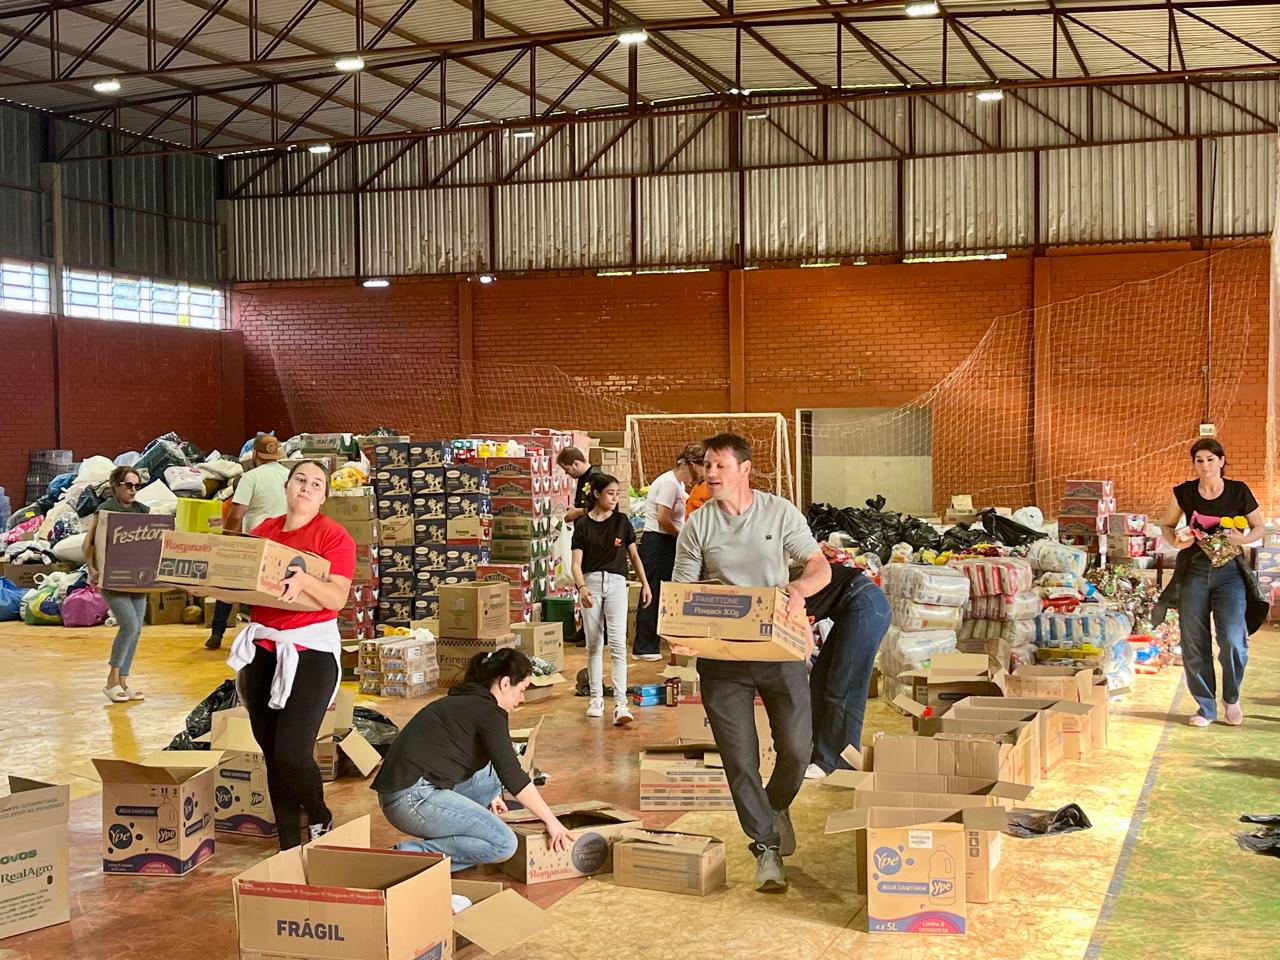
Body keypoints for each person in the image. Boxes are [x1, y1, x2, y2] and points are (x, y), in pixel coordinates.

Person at [671, 433, 830, 893]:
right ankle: (765, 846)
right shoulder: (698, 525)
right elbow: (683, 592)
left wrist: (798, 590)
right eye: (706, 466)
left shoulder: (779, 512)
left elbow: (819, 566)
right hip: (723, 660)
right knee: (739, 758)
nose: (710, 474)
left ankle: (775, 806)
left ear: (745, 469)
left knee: (798, 749)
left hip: (779, 650)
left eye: (720, 465)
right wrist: (682, 630)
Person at [225, 461, 355, 850]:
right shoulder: (264, 532)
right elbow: (241, 585)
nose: (307, 487)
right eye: (301, 479)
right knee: (271, 753)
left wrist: (306, 581)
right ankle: (287, 843)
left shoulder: (334, 537)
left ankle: (318, 814)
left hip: (311, 652)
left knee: (292, 751)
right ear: (287, 485)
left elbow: (337, 598)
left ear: (324, 495)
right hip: (262, 651)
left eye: (316, 483)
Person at [373, 649, 574, 869]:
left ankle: (457, 844)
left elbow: (501, 769)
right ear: (505, 683)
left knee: (493, 779)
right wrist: (551, 821)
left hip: (409, 790)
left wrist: (491, 794)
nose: (522, 699)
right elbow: (513, 775)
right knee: (503, 844)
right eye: (522, 689)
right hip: (410, 800)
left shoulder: (469, 699)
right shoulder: (489, 712)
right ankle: (407, 858)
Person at [1155, 438, 1268, 727]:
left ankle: (1231, 698)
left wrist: (1242, 539)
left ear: (1221, 461)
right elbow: (1166, 525)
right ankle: (1205, 707)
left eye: (1209, 459)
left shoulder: (1238, 491)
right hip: (1193, 571)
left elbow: (1259, 527)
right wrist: (1177, 542)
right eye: (1199, 460)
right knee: (1194, 641)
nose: (1204, 465)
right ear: (1194, 464)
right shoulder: (1184, 492)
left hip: (1230, 573)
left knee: (1232, 638)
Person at [571, 473, 653, 726]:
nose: (614, 498)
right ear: (596, 494)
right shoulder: (583, 525)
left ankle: (621, 703)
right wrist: (582, 588)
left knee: (618, 644)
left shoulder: (622, 522)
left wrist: (645, 584)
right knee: (594, 644)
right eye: (610, 493)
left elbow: (634, 557)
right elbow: (575, 564)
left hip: (617, 584)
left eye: (617, 493)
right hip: (591, 584)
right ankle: (595, 699)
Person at [802, 563, 891, 779]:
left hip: (866, 605)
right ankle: (819, 751)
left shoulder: (789, 590)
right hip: (851, 608)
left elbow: (801, 642)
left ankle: (838, 762)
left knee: (845, 686)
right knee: (820, 679)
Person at [205, 434, 290, 650]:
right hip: (284, 542)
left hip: (254, 541)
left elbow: (236, 514)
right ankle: (271, 635)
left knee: (230, 583)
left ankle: (217, 632)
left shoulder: (250, 477)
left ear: (254, 454)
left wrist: (227, 542)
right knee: (272, 591)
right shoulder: (290, 476)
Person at [83, 466, 150, 704]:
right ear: (116, 486)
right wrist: (92, 568)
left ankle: (123, 680)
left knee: (137, 629)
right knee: (129, 625)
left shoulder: (143, 511)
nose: (134, 490)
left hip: (138, 580)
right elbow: (89, 542)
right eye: (129, 485)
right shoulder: (105, 510)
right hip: (113, 579)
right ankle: (111, 680)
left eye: (137, 486)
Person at [633, 443, 705, 662]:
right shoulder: (669, 484)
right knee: (653, 591)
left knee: (663, 592)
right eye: (703, 466)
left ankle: (655, 641)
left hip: (666, 541)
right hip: (658, 542)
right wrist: (681, 538)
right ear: (692, 464)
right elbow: (663, 518)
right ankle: (644, 646)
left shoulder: (679, 486)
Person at [558, 447, 606, 524]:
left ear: (576, 464)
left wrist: (577, 512)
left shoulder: (596, 478)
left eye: (567, 469)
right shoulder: (582, 477)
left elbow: (604, 507)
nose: (566, 473)